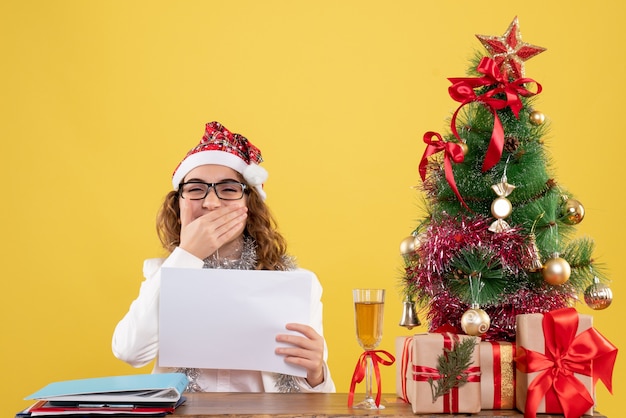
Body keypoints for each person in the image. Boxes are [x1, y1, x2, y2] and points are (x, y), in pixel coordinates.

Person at [112, 121, 335, 393]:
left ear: (250, 206)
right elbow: (129, 351)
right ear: (178, 205)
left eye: (229, 189)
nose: (211, 203)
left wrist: (316, 372)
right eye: (195, 189)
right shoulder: (162, 274)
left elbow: (318, 399)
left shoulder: (298, 284)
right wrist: (187, 255)